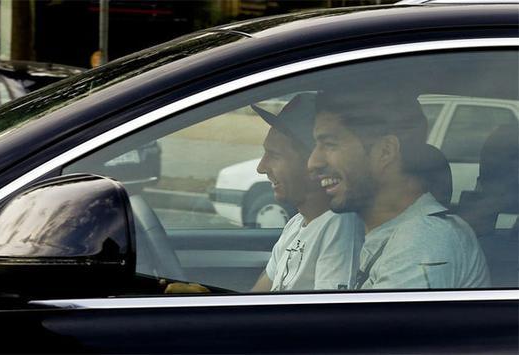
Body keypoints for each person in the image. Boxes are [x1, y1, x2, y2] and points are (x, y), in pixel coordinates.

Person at [164, 93, 364, 293]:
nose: (261, 167)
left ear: (313, 161)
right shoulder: (297, 224)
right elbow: (257, 299)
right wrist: (207, 301)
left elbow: (330, 316)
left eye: (275, 155)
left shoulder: (340, 226)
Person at [307, 90, 490, 289]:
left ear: (385, 152)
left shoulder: (424, 240)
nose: (312, 162)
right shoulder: (394, 232)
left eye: (330, 145)